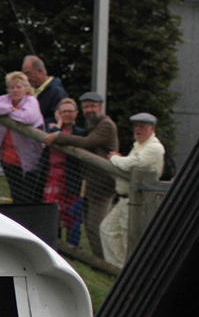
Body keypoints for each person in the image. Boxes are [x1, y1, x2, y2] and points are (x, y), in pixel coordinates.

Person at [47, 91, 117, 257]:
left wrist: (58, 135)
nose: (89, 110)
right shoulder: (92, 124)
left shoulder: (106, 124)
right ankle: (100, 261)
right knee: (90, 226)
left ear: (100, 107)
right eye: (86, 107)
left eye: (92, 106)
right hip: (91, 183)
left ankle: (105, 264)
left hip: (102, 183)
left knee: (96, 226)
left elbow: (86, 143)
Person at [101, 111, 165, 267]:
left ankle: (127, 271)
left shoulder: (154, 148)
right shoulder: (139, 145)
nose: (138, 129)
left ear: (152, 129)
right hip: (124, 198)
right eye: (136, 126)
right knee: (107, 229)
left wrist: (114, 158)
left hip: (137, 201)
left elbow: (127, 164)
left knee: (128, 236)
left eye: (142, 126)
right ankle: (117, 267)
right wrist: (121, 159)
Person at [0, 70, 44, 204]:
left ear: (26, 88)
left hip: (29, 158)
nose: (15, 90)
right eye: (12, 87)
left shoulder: (31, 101)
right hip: (8, 158)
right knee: (15, 194)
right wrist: (10, 109)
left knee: (28, 196)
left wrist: (3, 112)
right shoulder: (6, 100)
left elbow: (28, 117)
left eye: (19, 87)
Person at [40, 96, 85, 241]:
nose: (67, 114)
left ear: (76, 113)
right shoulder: (50, 128)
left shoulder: (80, 133)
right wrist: (58, 125)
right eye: (64, 111)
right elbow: (48, 139)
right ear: (58, 113)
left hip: (71, 176)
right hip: (53, 174)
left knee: (71, 213)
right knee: (54, 211)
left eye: (70, 111)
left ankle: (72, 245)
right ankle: (55, 242)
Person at [23, 54, 69, 126]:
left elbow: (59, 118)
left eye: (28, 73)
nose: (26, 78)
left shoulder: (57, 92)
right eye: (24, 74)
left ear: (40, 72)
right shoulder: (27, 91)